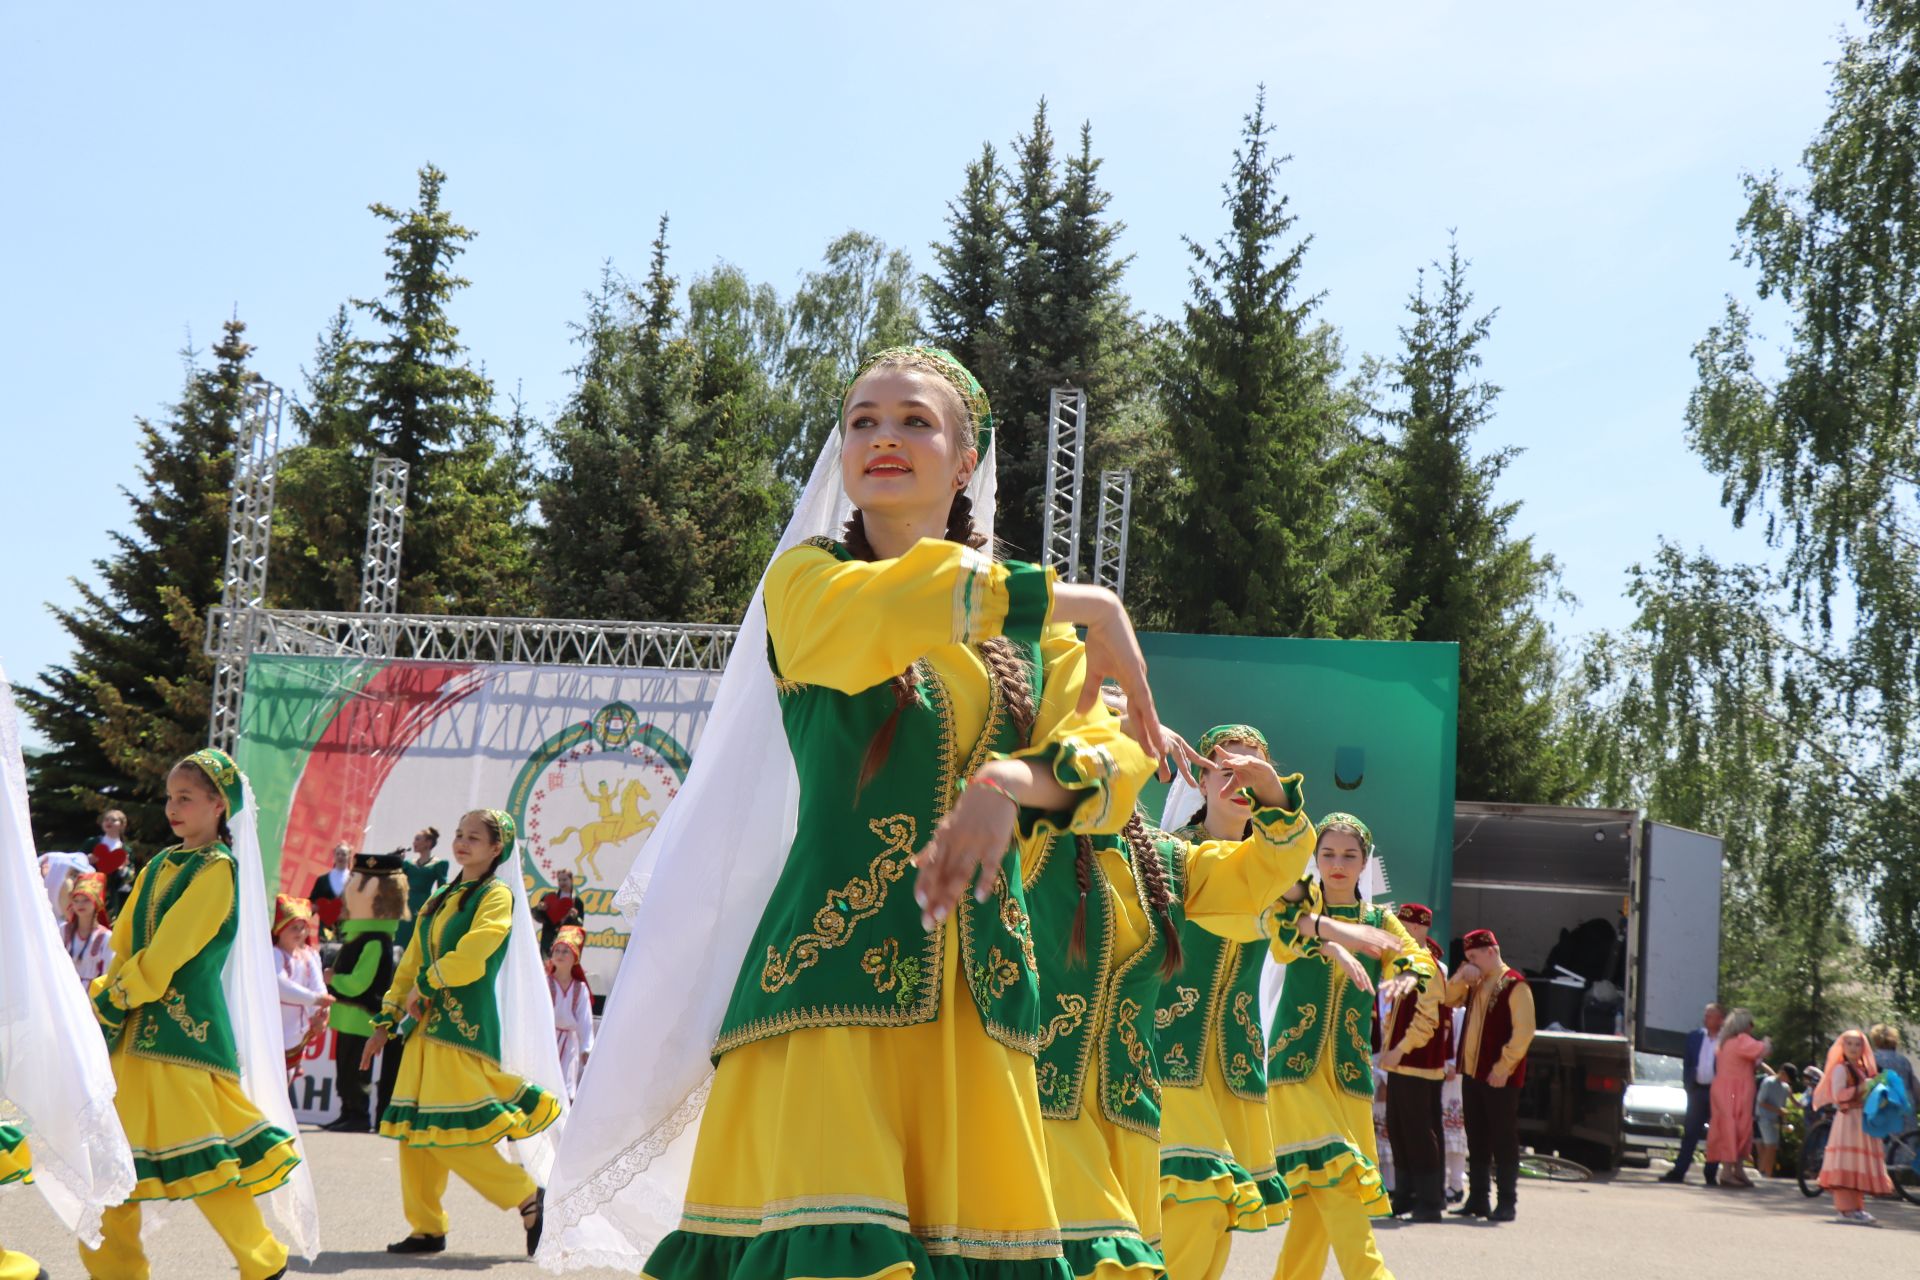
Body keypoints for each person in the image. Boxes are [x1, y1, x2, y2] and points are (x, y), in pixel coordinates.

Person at [540, 345, 1166, 1276]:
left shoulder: (1041, 643)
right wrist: (1079, 600)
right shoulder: (805, 587)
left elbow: (1114, 764)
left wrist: (1009, 786)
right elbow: (880, 617)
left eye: (916, 421)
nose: (884, 437)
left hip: (983, 1005)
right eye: (863, 421)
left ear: (966, 463)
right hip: (826, 991)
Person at [1034, 703, 1315, 1280]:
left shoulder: (1166, 862)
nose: (1112, 754)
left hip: (1135, 1096)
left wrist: (1276, 802)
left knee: (1188, 1241)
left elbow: (1262, 879)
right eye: (1101, 739)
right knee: (1129, 1245)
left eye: (1129, 738)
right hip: (1046, 1091)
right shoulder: (1037, 839)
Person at [83, 747, 318, 1279]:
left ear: (219, 805)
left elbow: (171, 949)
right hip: (130, 1037)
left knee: (207, 1163)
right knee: (113, 1166)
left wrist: (116, 996)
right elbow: (124, 942)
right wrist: (106, 991)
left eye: (186, 798)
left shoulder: (218, 870)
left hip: (178, 1037)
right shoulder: (162, 863)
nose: (173, 807)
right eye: (170, 797)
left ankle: (262, 1259)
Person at [364, 809, 562, 1257]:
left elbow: (474, 954)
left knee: (450, 1132)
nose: (462, 842)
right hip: (423, 1030)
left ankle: (526, 1195)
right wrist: (387, 1018)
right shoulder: (440, 899)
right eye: (459, 834)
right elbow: (412, 958)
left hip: (461, 1028)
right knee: (416, 1133)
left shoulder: (496, 897)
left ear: (497, 849)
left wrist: (427, 983)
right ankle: (426, 1227)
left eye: (474, 837)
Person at [0, 663, 136, 1280]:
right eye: (71, 896)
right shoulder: (56, 935)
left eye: (84, 897)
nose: (76, 903)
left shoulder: (95, 940)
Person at [1266, 814, 1435, 1280]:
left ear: (1365, 862)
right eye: (1328, 854)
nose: (1337, 864)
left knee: (1315, 1206)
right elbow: (1280, 930)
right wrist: (1331, 942)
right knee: (1339, 1175)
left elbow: (1414, 956)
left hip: (1348, 1074)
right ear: (1315, 858)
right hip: (1295, 1069)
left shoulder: (1378, 920)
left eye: (1349, 855)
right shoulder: (1300, 901)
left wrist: (1404, 973)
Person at [1445, 927, 1536, 1223]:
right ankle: (1478, 1198)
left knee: (1503, 1137)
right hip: (1472, 1073)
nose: (1471, 962)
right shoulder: (1475, 981)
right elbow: (1447, 999)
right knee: (1477, 1136)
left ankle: (1507, 1201)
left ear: (1491, 951)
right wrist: (1460, 974)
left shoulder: (1515, 985)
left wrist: (1502, 1068)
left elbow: (1523, 1033)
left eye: (1473, 957)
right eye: (1466, 957)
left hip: (1499, 1076)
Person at [324, 851, 408, 1133]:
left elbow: (361, 981)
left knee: (358, 1067)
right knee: (345, 1068)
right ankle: (348, 1110)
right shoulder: (359, 935)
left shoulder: (375, 940)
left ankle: (358, 1114)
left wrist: (334, 978)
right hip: (349, 1016)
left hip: (362, 1018)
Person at [1380, 903, 1448, 1223]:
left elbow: (1426, 1021)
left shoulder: (1427, 966)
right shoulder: (1406, 963)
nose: (1400, 932)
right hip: (1400, 1063)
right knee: (1399, 1129)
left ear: (1419, 929)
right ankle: (1406, 1194)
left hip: (1417, 1064)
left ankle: (1430, 1200)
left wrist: (1400, 1049)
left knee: (1419, 1131)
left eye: (1404, 926)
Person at [1814, 1028, 1893, 1225]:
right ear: (1842, 1046)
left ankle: (1857, 1207)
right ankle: (1845, 1209)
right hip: (1848, 1120)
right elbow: (1838, 1095)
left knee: (1857, 1164)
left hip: (1862, 1120)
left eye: (1857, 1044)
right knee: (1847, 1162)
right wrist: (1862, 1087)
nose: (1853, 1048)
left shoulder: (1863, 1069)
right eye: (1849, 1043)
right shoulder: (1841, 1068)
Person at [1705, 1008, 1770, 1188]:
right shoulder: (1742, 1041)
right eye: (1750, 1023)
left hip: (1722, 1087)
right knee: (1738, 1127)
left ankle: (1737, 1170)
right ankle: (1728, 1171)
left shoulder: (1724, 1043)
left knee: (1728, 1125)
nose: (1752, 1027)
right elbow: (1764, 1050)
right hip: (1737, 1089)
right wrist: (1766, 1041)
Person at [1661, 1002, 1725, 1185]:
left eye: (1710, 1015)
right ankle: (1679, 1171)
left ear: (1720, 1019)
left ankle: (1711, 1174)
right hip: (1697, 1091)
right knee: (1690, 1133)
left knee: (1716, 1135)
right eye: (1705, 1015)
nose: (1705, 1018)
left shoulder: (1727, 1040)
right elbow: (1688, 1062)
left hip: (1717, 1093)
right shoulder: (1694, 1037)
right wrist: (1688, 1086)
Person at [272, 895, 332, 1080]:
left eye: (303, 927)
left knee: (285, 1083)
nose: (299, 932)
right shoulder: (274, 954)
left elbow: (319, 986)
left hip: (297, 1035)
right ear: (280, 929)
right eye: (293, 927)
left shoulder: (310, 955)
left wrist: (322, 1013)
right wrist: (314, 1000)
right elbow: (281, 986)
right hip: (273, 1032)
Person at [547, 924, 594, 1100]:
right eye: (556, 950)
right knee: (544, 1084)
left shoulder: (579, 988)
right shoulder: (545, 982)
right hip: (548, 1041)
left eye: (565, 951)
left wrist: (586, 1049)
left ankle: (562, 1126)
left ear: (575, 957)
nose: (559, 954)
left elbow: (585, 1020)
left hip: (570, 1045)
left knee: (566, 1090)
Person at [397, 826, 447, 948]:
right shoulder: (408, 864)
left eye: (418, 839)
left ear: (428, 843)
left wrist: (437, 908)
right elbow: (398, 882)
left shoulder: (439, 864)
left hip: (423, 905)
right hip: (405, 904)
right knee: (400, 937)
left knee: (417, 938)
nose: (414, 843)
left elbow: (442, 888)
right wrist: (398, 862)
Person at [62, 871, 114, 983]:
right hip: (63, 990)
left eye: (86, 900)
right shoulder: (63, 930)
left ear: (96, 902)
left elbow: (108, 973)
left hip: (89, 995)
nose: (80, 904)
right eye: (76, 901)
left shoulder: (105, 937)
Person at [1441, 1003, 1468, 1202]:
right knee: (1443, 1134)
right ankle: (1444, 1183)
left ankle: (1456, 1183)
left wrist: (1451, 1065)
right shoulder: (1447, 1009)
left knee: (1455, 1132)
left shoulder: (1463, 1013)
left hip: (1455, 1078)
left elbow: (1459, 1042)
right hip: (1441, 1075)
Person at [1867, 1024, 1918, 1123]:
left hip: (1883, 1106)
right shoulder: (1903, 1060)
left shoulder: (1871, 1060)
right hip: (1906, 1105)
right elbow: (1914, 1085)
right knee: (1909, 1137)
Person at [87, 808, 133, 917]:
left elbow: (131, 876)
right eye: (106, 819)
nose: (108, 822)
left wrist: (123, 869)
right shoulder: (93, 842)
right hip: (91, 888)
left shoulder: (125, 850)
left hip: (112, 895)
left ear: (122, 825)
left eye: (113, 820)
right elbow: (76, 860)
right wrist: (87, 859)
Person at [1755, 1063, 1796, 1178]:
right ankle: (1762, 1172)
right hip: (1764, 1118)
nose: (1788, 1081)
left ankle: (1767, 1173)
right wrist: (1778, 1110)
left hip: (1775, 1119)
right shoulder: (1768, 1082)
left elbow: (1783, 1106)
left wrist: (1784, 1121)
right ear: (1782, 1073)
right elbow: (1761, 1102)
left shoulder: (1785, 1087)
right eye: (1788, 1077)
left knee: (1773, 1148)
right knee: (1770, 1146)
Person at [537, 866, 582, 956]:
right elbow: (539, 918)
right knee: (546, 967)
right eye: (559, 880)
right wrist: (540, 909)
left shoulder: (577, 902)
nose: (562, 883)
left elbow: (580, 924)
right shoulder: (549, 897)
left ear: (571, 880)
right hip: (548, 941)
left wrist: (574, 917)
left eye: (564, 880)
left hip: (566, 942)